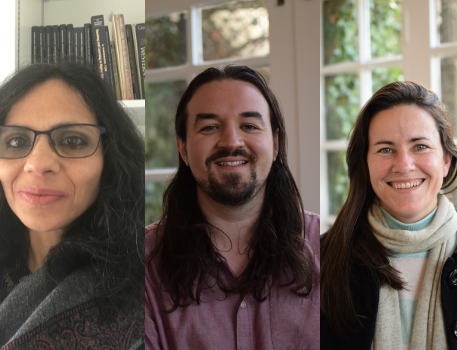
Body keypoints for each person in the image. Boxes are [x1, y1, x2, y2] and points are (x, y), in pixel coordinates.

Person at [0, 63, 153, 349]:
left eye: (73, 141)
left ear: (110, 159)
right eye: (17, 141)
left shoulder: (148, 293)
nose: (39, 164)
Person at [134, 64, 319, 349]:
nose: (231, 141)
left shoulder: (326, 250)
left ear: (276, 142)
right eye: (209, 127)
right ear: (182, 148)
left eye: (249, 126)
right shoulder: (139, 266)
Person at [320, 80, 457, 350]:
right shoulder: (321, 260)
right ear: (365, 163)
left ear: (446, 160)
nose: (404, 165)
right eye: (385, 149)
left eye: (420, 146)